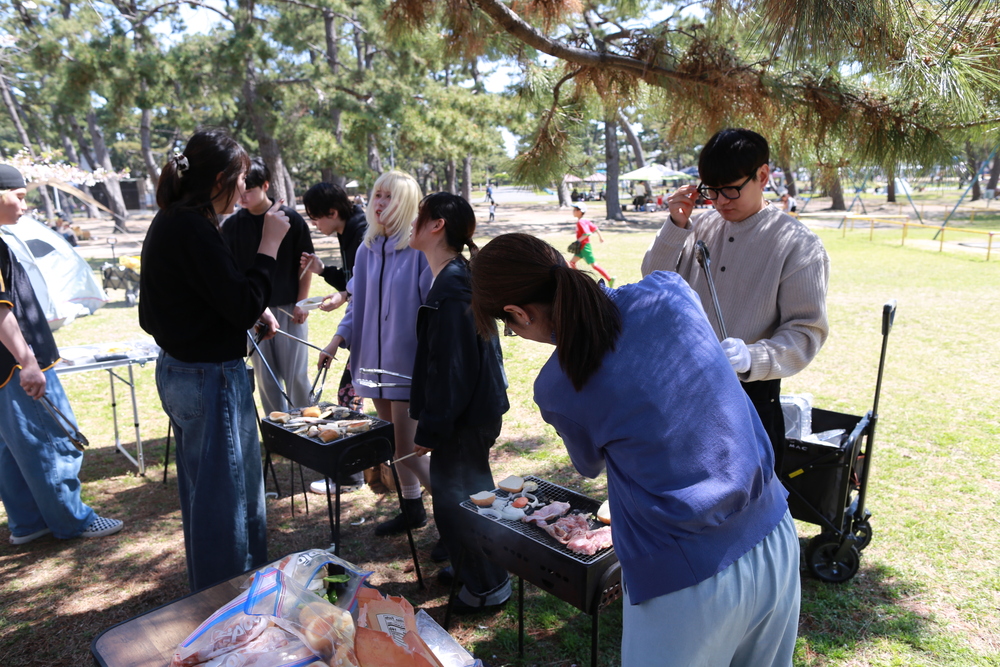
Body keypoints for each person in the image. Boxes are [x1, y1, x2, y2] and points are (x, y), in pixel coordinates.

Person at [470, 233, 799, 666]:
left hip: (688, 577)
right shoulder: (668, 288)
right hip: (775, 530)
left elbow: (588, 464)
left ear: (518, 313)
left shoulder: (558, 385)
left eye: (510, 329)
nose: (515, 333)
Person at [139, 129, 290, 591]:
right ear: (220, 179)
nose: (244, 188)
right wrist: (269, 245)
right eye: (241, 178)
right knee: (229, 503)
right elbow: (239, 303)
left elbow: (208, 297)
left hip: (184, 370)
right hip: (209, 377)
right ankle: (229, 607)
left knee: (214, 496)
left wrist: (248, 309)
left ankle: (228, 596)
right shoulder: (190, 226)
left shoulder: (177, 220)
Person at [641, 128, 829, 471]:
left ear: (762, 176)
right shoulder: (701, 226)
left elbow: (805, 332)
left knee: (746, 496)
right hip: (680, 387)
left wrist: (751, 358)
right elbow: (654, 281)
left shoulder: (799, 244)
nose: (720, 201)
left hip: (749, 399)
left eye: (730, 189)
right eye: (711, 190)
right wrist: (675, 224)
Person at [0, 164, 123, 546]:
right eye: (19, 196)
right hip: (17, 366)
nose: (24, 205)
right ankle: (72, 521)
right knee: (49, 442)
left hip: (7, 368)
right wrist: (28, 361)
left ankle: (28, 523)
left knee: (13, 448)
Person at [408, 192, 512, 611]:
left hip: (464, 418)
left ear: (437, 225)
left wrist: (431, 428)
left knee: (459, 506)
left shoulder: (452, 286)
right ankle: (477, 571)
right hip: (470, 413)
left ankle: (487, 587)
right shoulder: (454, 277)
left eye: (419, 216)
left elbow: (452, 369)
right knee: (469, 497)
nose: (412, 223)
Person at [318, 170, 434, 537]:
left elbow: (433, 310)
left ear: (407, 203)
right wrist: (336, 340)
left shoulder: (419, 250)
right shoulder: (366, 249)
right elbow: (356, 304)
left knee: (408, 448)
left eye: (389, 196)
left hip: (407, 366)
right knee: (393, 444)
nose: (380, 203)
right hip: (372, 365)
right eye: (377, 195)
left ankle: (457, 521)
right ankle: (412, 509)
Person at [222, 157, 314, 415]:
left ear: (265, 185)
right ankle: (277, 429)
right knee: (266, 378)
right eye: (241, 190)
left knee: (296, 376)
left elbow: (306, 263)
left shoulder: (289, 219)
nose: (243, 196)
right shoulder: (232, 226)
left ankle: (308, 425)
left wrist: (302, 302)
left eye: (249, 190)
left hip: (289, 309)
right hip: (253, 312)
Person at [299, 182, 367, 494]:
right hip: (365, 329)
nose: (315, 224)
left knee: (349, 398)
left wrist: (344, 296)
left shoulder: (361, 232)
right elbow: (353, 281)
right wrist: (323, 270)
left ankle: (352, 476)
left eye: (315, 218)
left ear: (333, 211)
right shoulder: (348, 230)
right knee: (353, 398)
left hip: (375, 332)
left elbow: (361, 287)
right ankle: (363, 471)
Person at [568, 203, 614, 286]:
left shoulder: (581, 222)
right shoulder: (585, 221)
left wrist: (578, 241)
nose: (573, 211)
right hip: (581, 247)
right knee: (571, 263)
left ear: (580, 211)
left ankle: (609, 279)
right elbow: (595, 228)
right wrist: (601, 237)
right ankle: (580, 279)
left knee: (594, 265)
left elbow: (587, 233)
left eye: (575, 210)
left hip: (585, 247)